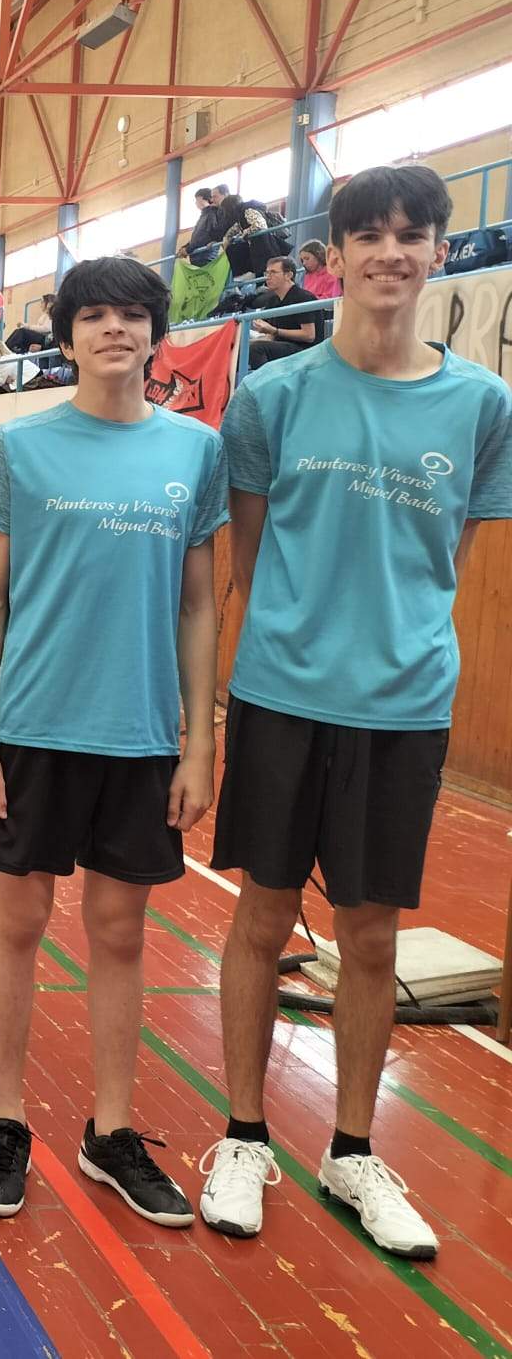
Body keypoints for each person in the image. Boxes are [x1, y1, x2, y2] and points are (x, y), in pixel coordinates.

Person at [199, 164, 512, 1257]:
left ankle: (350, 1152)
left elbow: (447, 558)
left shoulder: (479, 404)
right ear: (333, 254)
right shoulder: (270, 398)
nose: (390, 252)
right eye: (368, 234)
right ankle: (241, 1134)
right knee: (258, 916)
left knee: (369, 935)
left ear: (437, 253)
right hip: (282, 695)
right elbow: (237, 564)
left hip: (403, 706)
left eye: (411, 235)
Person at [0, 255, 225, 1229]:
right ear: (65, 336)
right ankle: (5, 1120)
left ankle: (110, 1133)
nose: (114, 329)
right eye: (95, 315)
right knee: (18, 926)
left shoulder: (193, 453)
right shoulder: (19, 450)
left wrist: (198, 745)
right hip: (30, 729)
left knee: (118, 933)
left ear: (155, 334)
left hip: (139, 733)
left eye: (131, 315)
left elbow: (197, 605)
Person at [243, 255, 323, 368]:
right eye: (266, 273)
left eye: (273, 272)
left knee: (257, 348)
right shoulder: (273, 300)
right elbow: (270, 336)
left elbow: (309, 335)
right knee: (240, 348)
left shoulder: (303, 297)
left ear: (288, 275)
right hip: (283, 347)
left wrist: (275, 331)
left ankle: (264, 384)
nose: (268, 277)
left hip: (306, 350)